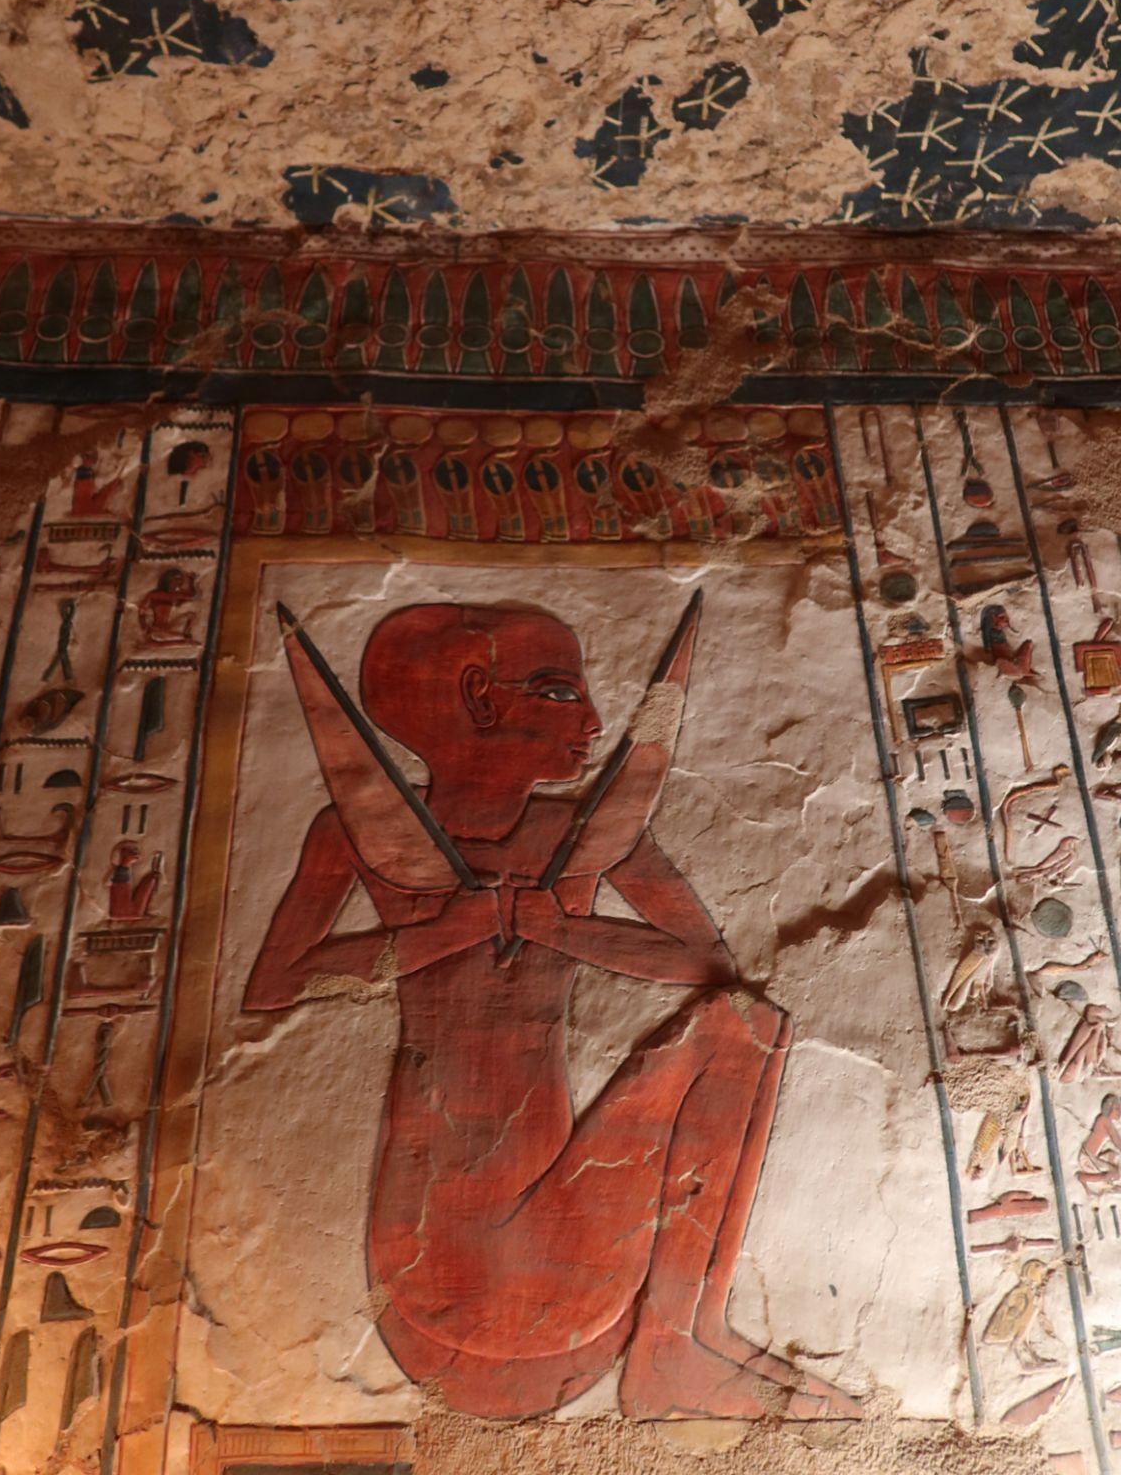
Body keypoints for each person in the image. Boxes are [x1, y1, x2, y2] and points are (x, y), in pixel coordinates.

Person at [245, 602, 856, 1423]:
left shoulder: (576, 834)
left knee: (745, 1024)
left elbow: (706, 964)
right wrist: (440, 934)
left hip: (575, 1293)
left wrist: (558, 928)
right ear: (479, 697)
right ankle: (674, 1349)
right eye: (561, 692)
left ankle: (680, 1338)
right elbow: (273, 986)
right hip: (444, 1289)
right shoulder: (353, 830)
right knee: (739, 1025)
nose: (595, 722)